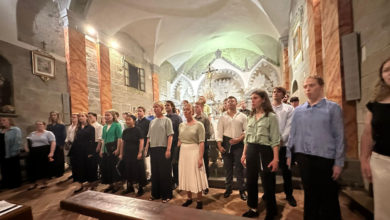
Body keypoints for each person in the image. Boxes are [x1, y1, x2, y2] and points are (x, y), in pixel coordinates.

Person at [287, 76, 345, 220]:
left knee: (329, 196)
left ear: (321, 86)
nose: (307, 89)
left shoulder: (333, 108)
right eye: (305, 86)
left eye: (311, 85)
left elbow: (339, 136)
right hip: (304, 158)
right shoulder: (298, 111)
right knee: (310, 195)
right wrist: (289, 154)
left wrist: (339, 162)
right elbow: (292, 134)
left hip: (326, 158)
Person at [241, 89, 280, 219]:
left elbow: (275, 140)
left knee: (268, 182)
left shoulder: (271, 117)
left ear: (263, 99)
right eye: (251, 98)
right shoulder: (250, 117)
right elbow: (247, 138)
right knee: (250, 181)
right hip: (251, 150)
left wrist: (276, 159)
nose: (252, 100)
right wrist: (244, 154)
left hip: (265, 151)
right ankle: (253, 208)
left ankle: (271, 210)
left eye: (255, 98)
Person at [360, 57, 390, 220]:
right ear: (382, 76)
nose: (389, 73)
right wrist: (364, 159)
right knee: (384, 210)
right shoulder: (375, 104)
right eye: (386, 70)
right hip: (382, 162)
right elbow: (367, 134)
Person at [216, 96, 247, 200]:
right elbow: (219, 132)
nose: (230, 103)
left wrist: (239, 139)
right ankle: (228, 189)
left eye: (232, 101)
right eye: (228, 101)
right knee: (228, 169)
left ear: (236, 103)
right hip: (226, 144)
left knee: (239, 168)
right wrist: (219, 146)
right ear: (226, 104)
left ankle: (242, 190)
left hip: (239, 145)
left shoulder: (242, 116)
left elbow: (246, 131)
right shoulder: (222, 117)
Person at [179, 103, 208, 209]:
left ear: (192, 111)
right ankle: (189, 198)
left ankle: (199, 200)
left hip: (194, 151)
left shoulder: (199, 125)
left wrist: (200, 158)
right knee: (187, 174)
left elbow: (201, 142)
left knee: (196, 175)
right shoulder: (181, 125)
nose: (186, 111)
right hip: (184, 152)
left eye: (188, 110)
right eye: (184, 110)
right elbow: (180, 139)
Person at [271, 87, 297, 207]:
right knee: (269, 172)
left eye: (278, 92)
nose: (275, 93)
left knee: (286, 171)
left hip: (284, 145)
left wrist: (281, 140)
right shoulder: (267, 108)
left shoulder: (289, 108)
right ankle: (269, 193)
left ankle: (289, 194)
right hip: (269, 145)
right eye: (274, 91)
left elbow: (290, 126)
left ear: (283, 95)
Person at [145, 101, 174, 203]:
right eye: (154, 107)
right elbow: (148, 137)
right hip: (154, 149)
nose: (155, 109)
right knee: (155, 172)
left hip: (163, 148)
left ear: (161, 108)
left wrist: (168, 149)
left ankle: (167, 195)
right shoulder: (152, 122)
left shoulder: (167, 120)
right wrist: (146, 149)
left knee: (165, 173)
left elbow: (170, 135)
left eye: (157, 107)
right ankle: (155, 194)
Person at [120, 114, 147, 196]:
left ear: (134, 121)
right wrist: (121, 153)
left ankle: (140, 189)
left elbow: (141, 141)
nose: (127, 121)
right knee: (128, 170)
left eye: (129, 120)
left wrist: (140, 152)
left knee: (138, 170)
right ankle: (130, 187)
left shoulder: (138, 130)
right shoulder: (125, 131)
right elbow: (123, 142)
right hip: (127, 153)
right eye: (126, 120)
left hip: (136, 153)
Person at [69, 112, 96, 193]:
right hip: (77, 150)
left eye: (82, 116)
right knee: (78, 167)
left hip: (87, 149)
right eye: (79, 116)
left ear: (86, 117)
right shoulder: (78, 127)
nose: (80, 118)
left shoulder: (91, 127)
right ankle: (80, 184)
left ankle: (91, 184)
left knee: (89, 167)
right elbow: (76, 139)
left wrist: (91, 152)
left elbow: (92, 141)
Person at [26, 120, 56, 190]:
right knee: (32, 167)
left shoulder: (48, 133)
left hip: (44, 150)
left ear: (44, 125)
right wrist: (27, 149)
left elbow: (53, 142)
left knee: (43, 167)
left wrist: (51, 152)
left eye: (40, 124)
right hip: (33, 151)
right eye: (37, 124)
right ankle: (34, 183)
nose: (39, 126)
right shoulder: (32, 133)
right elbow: (27, 142)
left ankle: (44, 182)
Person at [99, 110, 123, 193]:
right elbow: (103, 139)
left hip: (113, 149)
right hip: (106, 149)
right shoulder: (105, 126)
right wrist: (102, 150)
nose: (106, 117)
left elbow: (120, 138)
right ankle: (110, 184)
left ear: (113, 116)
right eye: (105, 115)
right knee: (106, 167)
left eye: (108, 115)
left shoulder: (117, 125)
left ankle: (116, 184)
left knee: (113, 167)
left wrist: (118, 149)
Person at [194, 101, 213, 194]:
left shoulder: (205, 118)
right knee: (196, 165)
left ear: (201, 108)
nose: (196, 108)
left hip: (203, 145)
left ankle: (205, 186)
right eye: (195, 107)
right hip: (194, 145)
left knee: (204, 164)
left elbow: (209, 132)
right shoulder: (193, 118)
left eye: (197, 107)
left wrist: (200, 138)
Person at [0, 117, 22, 189]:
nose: (1, 122)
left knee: (13, 168)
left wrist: (14, 152)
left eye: (4, 120)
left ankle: (15, 184)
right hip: (2, 152)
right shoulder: (1, 130)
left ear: (9, 121)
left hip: (12, 152)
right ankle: (6, 184)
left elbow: (17, 141)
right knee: (4, 169)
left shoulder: (15, 129)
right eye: (1, 120)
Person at [165, 100, 182, 189]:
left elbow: (181, 130)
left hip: (175, 143)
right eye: (165, 105)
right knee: (167, 163)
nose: (166, 107)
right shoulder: (164, 117)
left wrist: (179, 141)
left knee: (175, 163)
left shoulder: (177, 117)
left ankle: (176, 181)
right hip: (167, 144)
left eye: (168, 105)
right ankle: (169, 180)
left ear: (172, 107)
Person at [47, 111, 66, 177]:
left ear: (57, 116)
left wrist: (62, 144)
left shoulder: (61, 125)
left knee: (59, 159)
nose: (53, 116)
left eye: (55, 115)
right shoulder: (49, 126)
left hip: (59, 143)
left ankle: (60, 172)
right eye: (52, 115)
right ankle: (53, 172)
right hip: (51, 144)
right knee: (52, 158)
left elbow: (64, 135)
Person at [135, 106, 151, 180]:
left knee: (146, 163)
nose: (138, 112)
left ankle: (147, 177)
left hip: (145, 144)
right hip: (136, 145)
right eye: (137, 111)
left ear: (144, 112)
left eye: (140, 111)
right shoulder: (136, 122)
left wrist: (147, 147)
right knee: (138, 162)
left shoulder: (148, 122)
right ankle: (140, 177)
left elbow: (149, 135)